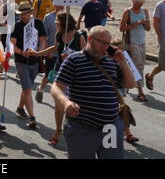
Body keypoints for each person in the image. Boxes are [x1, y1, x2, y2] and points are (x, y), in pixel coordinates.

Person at [50, 26, 136, 159]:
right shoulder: (74, 60)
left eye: (108, 44)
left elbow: (131, 84)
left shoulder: (112, 62)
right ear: (90, 39)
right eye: (102, 42)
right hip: (82, 128)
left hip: (110, 127)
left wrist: (123, 62)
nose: (105, 47)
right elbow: (56, 87)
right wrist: (66, 102)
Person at [34, 12, 86, 145]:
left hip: (76, 75)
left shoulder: (79, 36)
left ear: (64, 23)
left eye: (57, 21)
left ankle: (76, 131)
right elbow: (55, 48)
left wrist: (72, 54)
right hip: (60, 72)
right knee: (58, 104)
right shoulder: (59, 35)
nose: (55, 23)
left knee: (74, 104)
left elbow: (86, 55)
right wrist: (38, 53)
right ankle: (58, 130)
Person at [10, 2, 47, 129]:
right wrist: (21, 52)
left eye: (25, 13)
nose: (22, 16)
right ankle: (32, 117)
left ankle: (20, 108)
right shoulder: (17, 26)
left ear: (30, 12)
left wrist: (39, 53)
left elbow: (43, 41)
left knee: (27, 88)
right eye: (20, 14)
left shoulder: (38, 23)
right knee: (27, 89)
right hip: (21, 61)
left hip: (35, 61)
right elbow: (12, 45)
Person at [119, 0, 150, 102]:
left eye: (141, 4)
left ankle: (128, 81)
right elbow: (121, 28)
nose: (139, 6)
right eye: (138, 4)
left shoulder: (145, 11)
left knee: (136, 65)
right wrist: (136, 23)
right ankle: (140, 90)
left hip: (142, 42)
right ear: (133, 2)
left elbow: (148, 28)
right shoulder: (127, 12)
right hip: (131, 42)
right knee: (138, 64)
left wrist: (145, 23)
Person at [110, 38, 139, 144]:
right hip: (113, 90)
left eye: (122, 48)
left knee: (120, 111)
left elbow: (134, 75)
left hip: (121, 89)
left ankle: (123, 133)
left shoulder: (124, 58)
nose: (121, 50)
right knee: (122, 110)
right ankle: (128, 134)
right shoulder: (109, 59)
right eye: (119, 48)